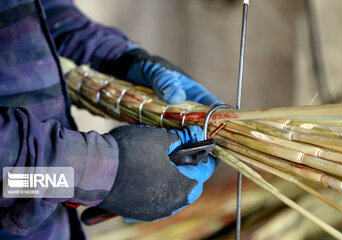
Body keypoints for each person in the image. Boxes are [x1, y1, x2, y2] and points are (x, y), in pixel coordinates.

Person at [0, 0, 222, 239]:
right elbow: (14, 181)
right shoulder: (27, 180)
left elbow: (32, 12)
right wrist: (97, 169)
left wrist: (119, 58)